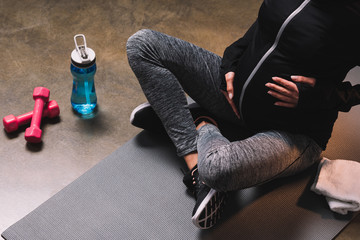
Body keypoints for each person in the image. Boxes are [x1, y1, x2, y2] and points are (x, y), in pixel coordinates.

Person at [126, 0, 360, 229]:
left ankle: (200, 121)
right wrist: (231, 61)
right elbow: (264, 26)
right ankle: (193, 158)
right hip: (233, 97)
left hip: (293, 133)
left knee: (217, 168)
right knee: (143, 44)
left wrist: (321, 95)